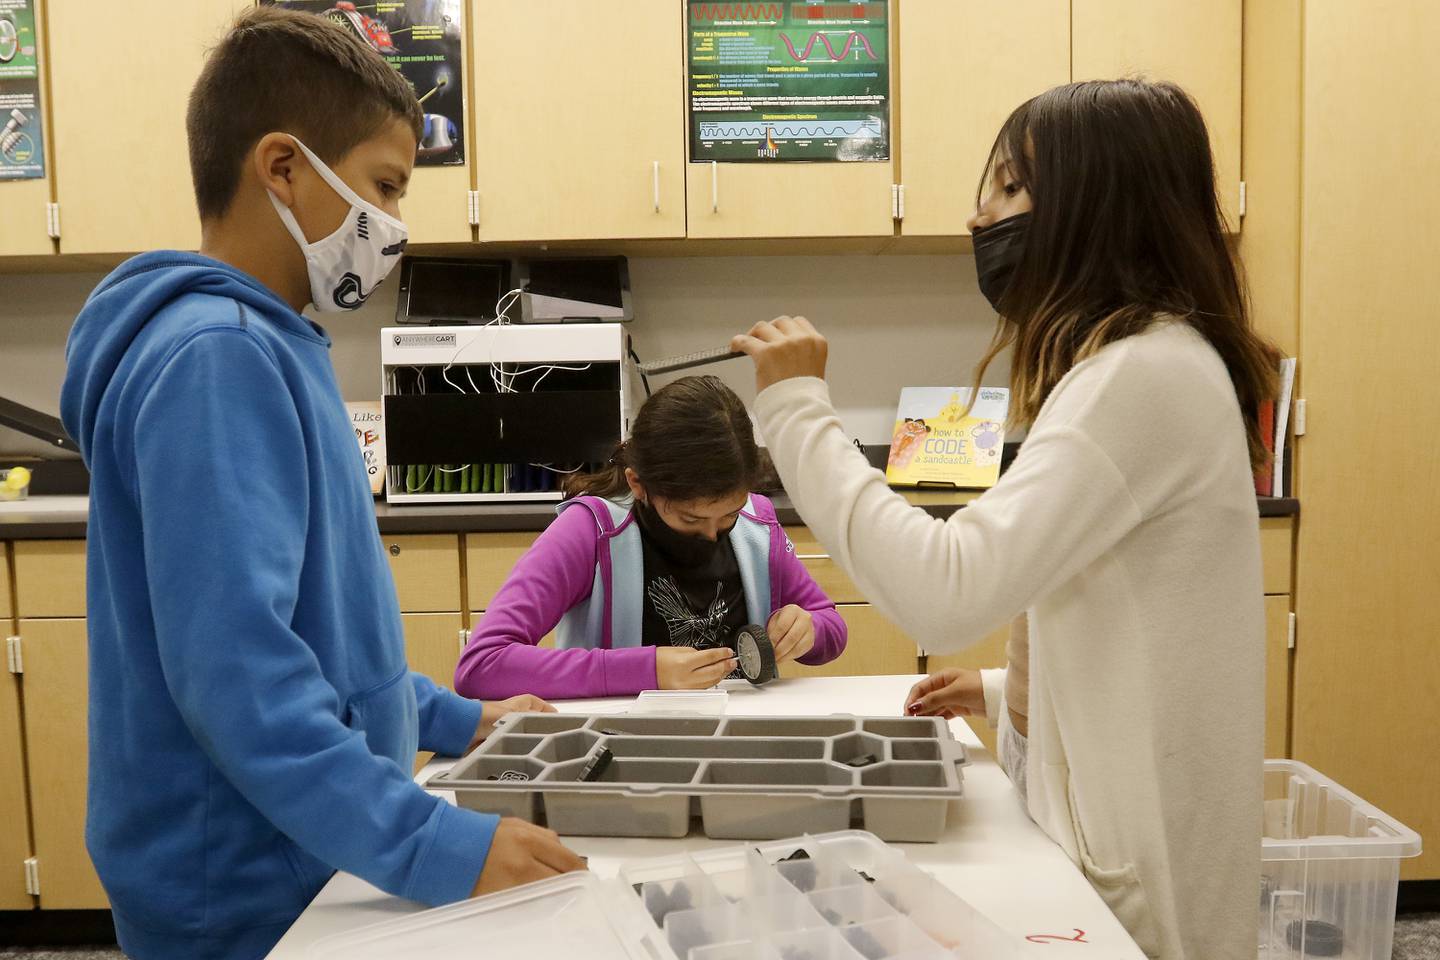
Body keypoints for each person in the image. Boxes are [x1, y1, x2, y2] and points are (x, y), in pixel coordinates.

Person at [58, 10, 582, 958]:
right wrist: (432, 842)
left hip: (295, 852)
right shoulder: (217, 356)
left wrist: (451, 716)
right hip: (245, 885)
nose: (393, 226)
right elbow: (241, 673)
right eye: (383, 187)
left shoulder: (268, 344)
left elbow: (320, 640)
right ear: (284, 168)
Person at [731, 78, 1277, 960]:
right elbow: (1120, 606)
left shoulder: (1141, 378)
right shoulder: (1144, 366)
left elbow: (943, 593)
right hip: (1122, 849)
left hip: (1141, 886)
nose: (982, 216)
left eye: (1013, 188)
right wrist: (1000, 690)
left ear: (1098, 205)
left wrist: (795, 408)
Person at [455, 375, 847, 700]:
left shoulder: (756, 525)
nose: (712, 535)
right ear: (638, 484)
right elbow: (481, 666)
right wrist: (645, 670)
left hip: (740, 734)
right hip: (623, 742)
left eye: (727, 514)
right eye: (691, 518)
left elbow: (831, 626)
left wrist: (808, 631)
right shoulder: (589, 531)